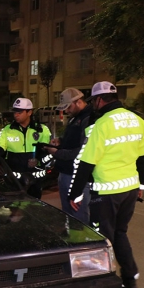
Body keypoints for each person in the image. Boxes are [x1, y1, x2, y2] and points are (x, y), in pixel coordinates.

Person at [68, 81, 144, 288]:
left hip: (106, 191)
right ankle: (130, 277)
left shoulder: (101, 125)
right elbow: (143, 157)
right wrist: (140, 184)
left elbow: (86, 162)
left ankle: (103, 282)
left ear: (99, 100)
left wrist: (74, 194)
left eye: (94, 101)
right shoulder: (137, 120)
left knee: (102, 238)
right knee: (120, 232)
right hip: (130, 189)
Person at [43, 88, 93, 223]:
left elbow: (84, 149)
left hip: (77, 176)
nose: (66, 111)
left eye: (68, 107)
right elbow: (73, 141)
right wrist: (61, 141)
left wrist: (58, 153)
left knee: (78, 217)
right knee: (68, 216)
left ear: (78, 102)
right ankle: (72, 240)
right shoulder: (75, 118)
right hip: (66, 172)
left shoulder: (88, 119)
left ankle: (81, 243)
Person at [0, 98, 51, 198]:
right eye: (15, 112)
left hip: (35, 181)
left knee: (34, 209)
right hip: (14, 181)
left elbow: (48, 152)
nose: (16, 115)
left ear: (29, 112)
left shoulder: (42, 130)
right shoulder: (7, 130)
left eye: (19, 112)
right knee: (15, 209)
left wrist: (38, 161)